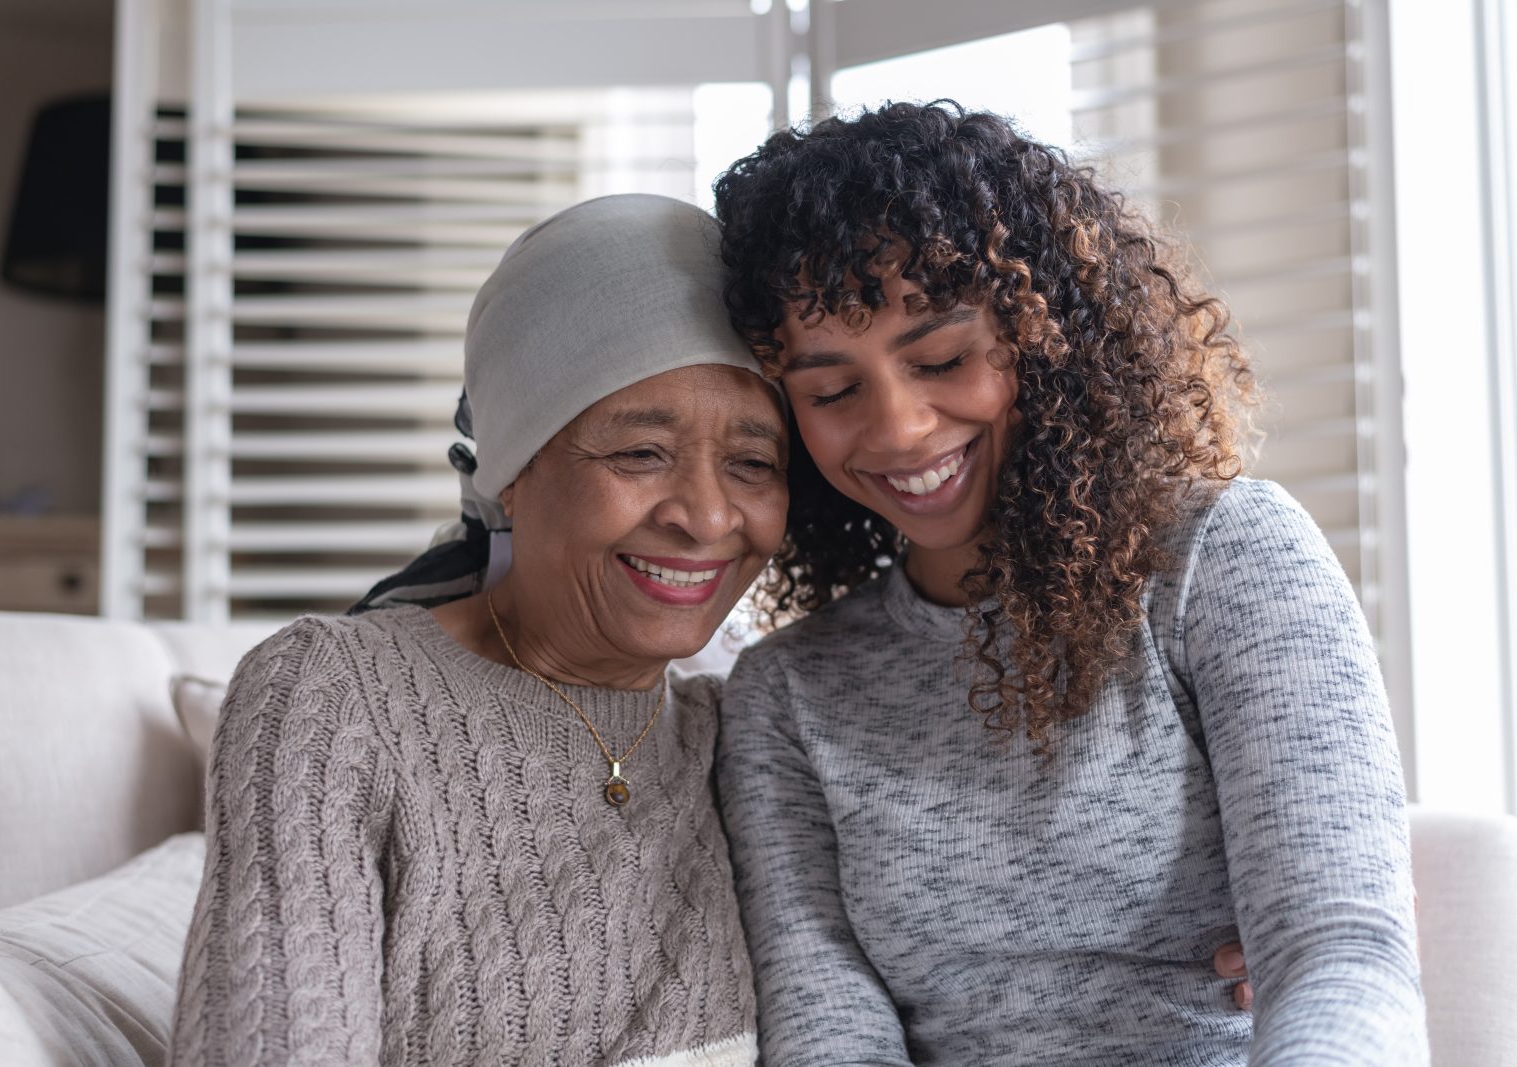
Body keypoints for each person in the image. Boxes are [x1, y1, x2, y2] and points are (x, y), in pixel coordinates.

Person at [711, 102, 1426, 1065]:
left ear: (1042, 335)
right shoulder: (787, 693)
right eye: (833, 390)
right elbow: (828, 1030)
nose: (898, 429)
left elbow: (1342, 954)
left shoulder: (1222, 562)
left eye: (941, 359)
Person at [168, 194, 785, 1066]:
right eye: (640, 452)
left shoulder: (749, 734)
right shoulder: (334, 695)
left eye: (755, 464)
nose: (708, 514)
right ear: (511, 463)